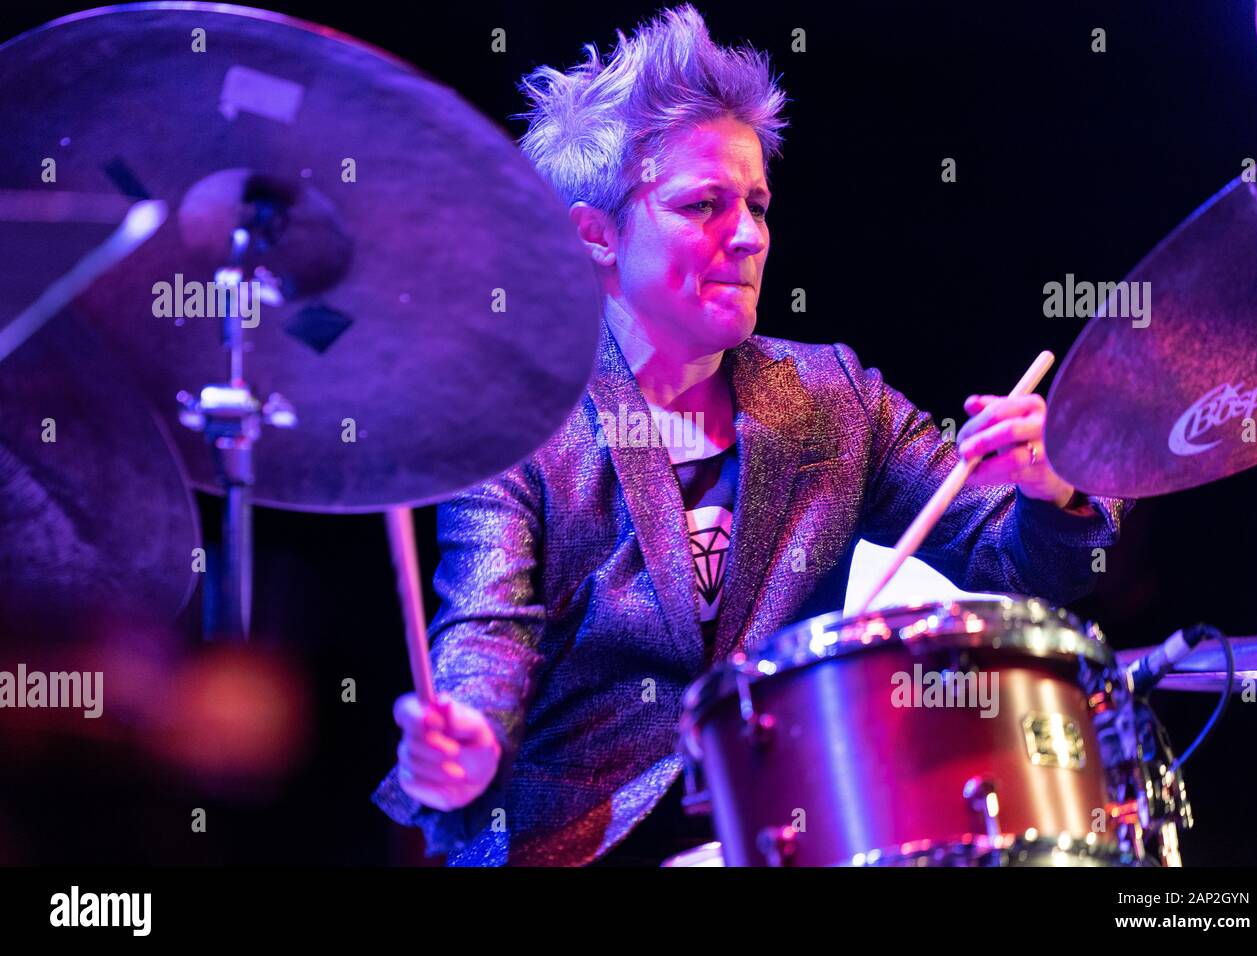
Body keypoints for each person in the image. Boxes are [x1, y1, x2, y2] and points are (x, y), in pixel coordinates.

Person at [372, 4, 1129, 866]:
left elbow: (1028, 568)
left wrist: (1050, 484)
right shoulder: (516, 422)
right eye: (704, 205)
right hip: (574, 844)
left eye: (758, 204)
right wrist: (464, 740)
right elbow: (484, 635)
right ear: (596, 236)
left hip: (794, 830)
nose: (749, 236)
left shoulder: (829, 396)